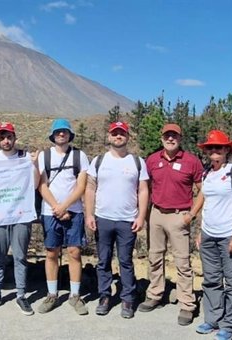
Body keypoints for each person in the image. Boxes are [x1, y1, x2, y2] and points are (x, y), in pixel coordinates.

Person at [140, 123, 203, 326]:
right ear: (161, 138)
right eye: (167, 135)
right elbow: (145, 188)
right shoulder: (152, 160)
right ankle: (155, 294)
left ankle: (186, 304)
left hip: (179, 216)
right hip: (156, 214)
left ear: (180, 138)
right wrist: (144, 213)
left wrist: (191, 214)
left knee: (182, 262)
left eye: (174, 136)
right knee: (154, 257)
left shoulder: (191, 161)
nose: (170, 139)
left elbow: (203, 190)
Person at [84, 121, 149, 319]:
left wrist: (141, 216)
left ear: (127, 137)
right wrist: (89, 214)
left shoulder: (137, 162)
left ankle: (128, 298)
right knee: (103, 260)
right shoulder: (99, 160)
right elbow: (90, 188)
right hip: (103, 218)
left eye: (122, 133)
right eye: (115, 133)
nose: (118, 136)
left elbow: (144, 190)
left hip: (127, 220)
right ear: (109, 136)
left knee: (126, 261)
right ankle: (104, 296)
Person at [192, 130, 232, 340]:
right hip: (209, 234)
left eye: (219, 147)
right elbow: (207, 204)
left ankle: (230, 325)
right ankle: (213, 318)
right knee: (211, 279)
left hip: (229, 235)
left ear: (227, 149)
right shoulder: (207, 173)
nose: (214, 151)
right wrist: (200, 231)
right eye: (210, 148)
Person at [0, 122, 39, 316]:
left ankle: (21, 295)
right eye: (2, 137)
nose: (6, 141)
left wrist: (35, 165)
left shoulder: (25, 158)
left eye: (9, 137)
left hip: (21, 214)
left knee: (20, 256)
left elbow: (36, 183)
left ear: (15, 138)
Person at [36, 118, 89, 315]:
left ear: (69, 134)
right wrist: (57, 207)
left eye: (64, 131)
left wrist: (65, 206)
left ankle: (75, 295)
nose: (61, 134)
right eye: (58, 132)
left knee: (74, 252)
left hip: (73, 211)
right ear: (53, 135)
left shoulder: (79, 155)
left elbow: (81, 185)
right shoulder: (45, 156)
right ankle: (52, 294)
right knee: (51, 252)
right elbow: (42, 184)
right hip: (50, 211)